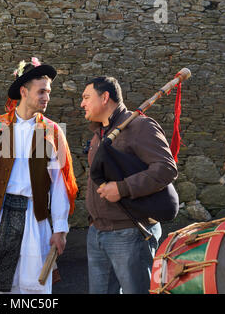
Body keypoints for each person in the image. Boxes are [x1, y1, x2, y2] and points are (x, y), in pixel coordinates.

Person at [0, 57, 78, 294]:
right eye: (41, 91)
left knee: (32, 287)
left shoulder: (51, 132)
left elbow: (60, 186)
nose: (47, 97)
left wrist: (60, 228)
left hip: (34, 219)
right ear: (24, 91)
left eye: (49, 92)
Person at [80, 76, 178, 294]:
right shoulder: (98, 136)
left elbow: (166, 168)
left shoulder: (141, 126)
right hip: (97, 233)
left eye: (86, 97)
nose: (82, 103)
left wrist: (122, 188)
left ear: (105, 97)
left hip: (130, 232)